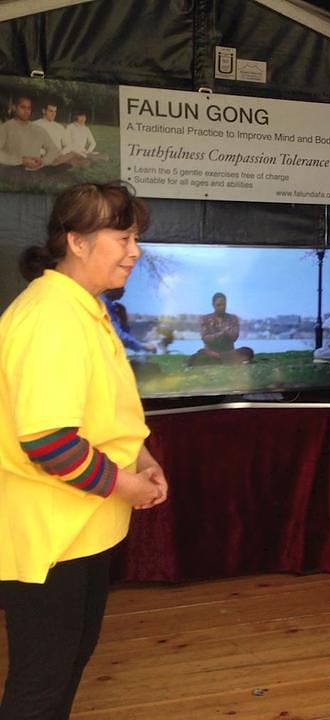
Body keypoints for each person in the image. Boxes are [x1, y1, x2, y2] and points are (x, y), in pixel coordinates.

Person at [0, 181, 169, 719]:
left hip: (81, 527)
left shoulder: (82, 309)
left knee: (66, 665)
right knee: (42, 683)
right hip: (49, 537)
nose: (135, 252)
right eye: (123, 237)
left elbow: (103, 410)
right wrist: (129, 485)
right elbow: (49, 442)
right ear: (77, 242)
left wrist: (141, 458)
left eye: (135, 237)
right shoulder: (50, 316)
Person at [186, 292, 254, 366]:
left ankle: (218, 358)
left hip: (228, 352)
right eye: (218, 305)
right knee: (200, 354)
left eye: (223, 305)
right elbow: (205, 338)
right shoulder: (205, 319)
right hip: (211, 352)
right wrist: (221, 333)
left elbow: (235, 337)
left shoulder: (233, 318)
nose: (222, 307)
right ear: (213, 305)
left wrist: (227, 333)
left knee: (247, 351)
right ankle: (227, 360)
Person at [0, 94, 63, 170]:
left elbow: (53, 150)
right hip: (12, 169)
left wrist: (43, 161)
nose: (26, 111)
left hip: (36, 170)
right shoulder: (6, 127)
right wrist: (21, 161)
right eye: (23, 107)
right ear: (14, 107)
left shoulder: (38, 129)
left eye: (29, 108)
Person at [103, 287, 156, 354]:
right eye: (121, 287)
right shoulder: (103, 305)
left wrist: (123, 320)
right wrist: (143, 346)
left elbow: (121, 338)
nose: (124, 291)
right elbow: (117, 335)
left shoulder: (109, 305)